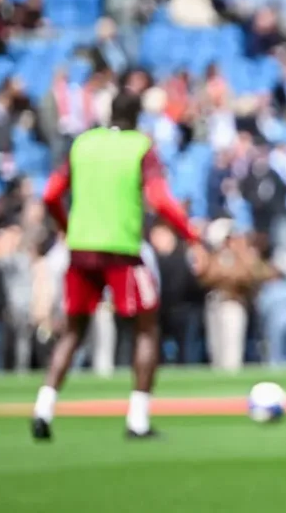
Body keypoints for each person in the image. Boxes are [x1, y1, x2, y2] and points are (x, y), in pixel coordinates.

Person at [31, 90, 201, 441]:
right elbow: (159, 199)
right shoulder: (140, 146)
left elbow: (50, 193)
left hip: (80, 248)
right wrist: (190, 234)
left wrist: (66, 227)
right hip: (122, 249)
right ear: (138, 116)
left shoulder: (83, 144)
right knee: (146, 327)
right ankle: (137, 418)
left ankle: (43, 408)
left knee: (74, 330)